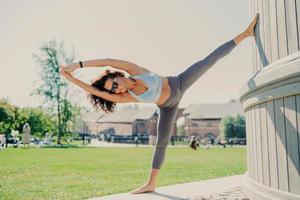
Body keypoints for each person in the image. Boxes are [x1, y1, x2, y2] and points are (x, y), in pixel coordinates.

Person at [59, 14, 259, 194]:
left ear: (118, 74)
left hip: (178, 82)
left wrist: (78, 66)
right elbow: (94, 91)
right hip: (168, 106)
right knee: (162, 142)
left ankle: (245, 33)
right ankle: (151, 184)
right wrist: (70, 79)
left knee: (209, 60)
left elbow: (107, 60)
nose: (115, 90)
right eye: (112, 90)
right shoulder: (126, 97)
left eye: (114, 84)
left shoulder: (134, 70)